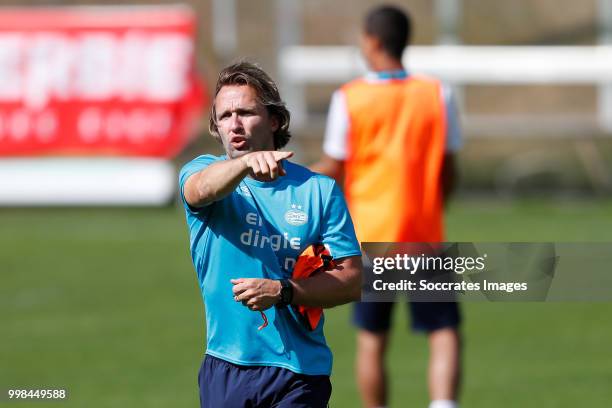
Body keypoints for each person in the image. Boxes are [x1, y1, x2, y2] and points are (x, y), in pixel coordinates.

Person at [179, 61, 363, 408]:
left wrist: (284, 291)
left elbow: (352, 280)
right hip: (228, 365)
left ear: (275, 120)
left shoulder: (319, 191)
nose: (234, 124)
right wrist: (246, 163)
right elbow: (200, 190)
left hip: (300, 372)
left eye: (246, 112)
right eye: (224, 116)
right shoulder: (201, 171)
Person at [311, 5, 462, 408]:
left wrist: (290, 178)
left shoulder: (350, 98)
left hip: (372, 237)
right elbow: (447, 168)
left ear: (373, 41)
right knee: (443, 329)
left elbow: (334, 169)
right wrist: (433, 208)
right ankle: (444, 403)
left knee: (372, 338)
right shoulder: (437, 93)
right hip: (424, 235)